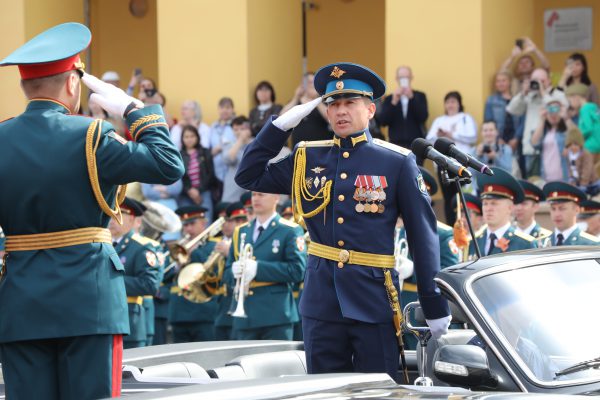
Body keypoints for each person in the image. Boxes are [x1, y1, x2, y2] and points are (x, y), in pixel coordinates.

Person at [0, 23, 184, 400]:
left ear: (24, 86)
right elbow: (168, 165)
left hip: (19, 301)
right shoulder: (91, 135)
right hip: (89, 299)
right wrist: (134, 109)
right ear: (73, 83)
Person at [234, 62, 450, 381]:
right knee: (324, 391)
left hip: (373, 299)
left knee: (378, 389)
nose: (341, 111)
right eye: (333, 104)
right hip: (321, 303)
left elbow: (423, 236)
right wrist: (279, 126)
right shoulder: (307, 157)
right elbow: (248, 175)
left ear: (371, 110)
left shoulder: (397, 162)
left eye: (350, 103)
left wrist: (433, 302)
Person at [225, 192, 306, 340]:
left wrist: (258, 268)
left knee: (278, 363)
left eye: (261, 194)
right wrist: (233, 272)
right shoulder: (241, 231)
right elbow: (226, 272)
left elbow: (297, 270)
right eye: (254, 195)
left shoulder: (289, 230)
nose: (255, 198)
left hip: (275, 316)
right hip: (245, 317)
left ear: (276, 198)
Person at [109, 198, 161, 349]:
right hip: (104, 322)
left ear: (132, 219)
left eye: (117, 215)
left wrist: (111, 282)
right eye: (110, 214)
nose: (112, 220)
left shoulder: (141, 247)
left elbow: (150, 284)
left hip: (130, 321)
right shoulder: (103, 244)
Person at [426, 91, 477, 224]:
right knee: (448, 198)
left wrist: (452, 135)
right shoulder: (439, 120)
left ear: (459, 104)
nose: (450, 105)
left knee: (463, 195)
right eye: (448, 102)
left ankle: (466, 224)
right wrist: (440, 135)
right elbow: (429, 140)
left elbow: (472, 136)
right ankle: (452, 225)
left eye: (453, 101)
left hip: (461, 163)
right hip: (443, 164)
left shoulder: (465, 117)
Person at [169, 206, 218, 342]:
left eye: (192, 224)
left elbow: (212, 270)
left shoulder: (214, 245)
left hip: (203, 311)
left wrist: (193, 252)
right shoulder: (179, 246)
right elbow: (165, 276)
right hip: (179, 312)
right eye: (185, 225)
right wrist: (177, 264)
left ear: (203, 223)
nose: (188, 229)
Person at [507, 68, 566, 178]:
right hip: (531, 149)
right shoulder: (529, 97)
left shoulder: (557, 95)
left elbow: (562, 112)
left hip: (553, 150)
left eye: (542, 81)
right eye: (535, 81)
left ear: (549, 81)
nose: (538, 84)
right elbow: (512, 109)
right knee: (534, 186)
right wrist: (523, 93)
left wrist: (544, 94)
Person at [468, 168, 537, 258]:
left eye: (494, 203)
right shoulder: (472, 241)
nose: (488, 209)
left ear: (510, 207)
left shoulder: (525, 244)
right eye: (485, 204)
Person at [214, 202, 248, 340]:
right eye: (235, 221)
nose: (237, 224)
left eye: (242, 220)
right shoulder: (217, 243)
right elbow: (225, 276)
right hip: (222, 308)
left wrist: (229, 254)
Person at [377, 66, 428, 149]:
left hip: (416, 144)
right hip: (395, 144)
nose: (404, 80)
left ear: (411, 78)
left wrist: (412, 98)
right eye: (401, 78)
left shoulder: (420, 96)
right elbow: (383, 121)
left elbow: (423, 117)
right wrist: (393, 102)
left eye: (406, 77)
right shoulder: (390, 98)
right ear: (397, 79)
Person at [530, 90, 569, 182]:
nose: (553, 113)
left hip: (565, 177)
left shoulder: (566, 129)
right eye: (550, 109)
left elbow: (576, 138)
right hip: (546, 177)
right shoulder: (544, 131)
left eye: (556, 109)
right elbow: (534, 142)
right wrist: (542, 119)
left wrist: (565, 117)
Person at [282, 72, 330, 147]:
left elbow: (330, 118)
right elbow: (282, 117)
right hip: (299, 148)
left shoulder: (324, 101)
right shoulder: (295, 102)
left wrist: (317, 99)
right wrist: (296, 97)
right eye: (308, 82)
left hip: (320, 147)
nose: (311, 85)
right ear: (302, 85)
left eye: (313, 82)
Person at [179, 124, 216, 214]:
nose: (189, 139)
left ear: (197, 137)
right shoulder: (179, 155)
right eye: (186, 137)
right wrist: (190, 191)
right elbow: (179, 177)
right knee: (188, 223)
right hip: (186, 195)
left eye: (192, 136)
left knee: (206, 222)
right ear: (182, 139)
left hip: (204, 192)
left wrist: (198, 191)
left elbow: (210, 174)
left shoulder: (205, 152)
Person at [484, 70, 520, 149]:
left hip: (516, 142)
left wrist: (516, 138)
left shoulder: (517, 99)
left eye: (503, 80)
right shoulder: (491, 100)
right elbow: (488, 121)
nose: (500, 83)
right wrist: (497, 138)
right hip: (499, 140)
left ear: (509, 82)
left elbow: (521, 121)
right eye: (498, 81)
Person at [221, 116, 254, 203]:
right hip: (233, 191)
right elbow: (228, 159)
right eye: (235, 129)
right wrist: (240, 141)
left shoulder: (257, 143)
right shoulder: (229, 145)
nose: (239, 132)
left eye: (242, 129)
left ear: (249, 129)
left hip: (253, 190)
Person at [565, 83, 600, 160]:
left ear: (576, 97)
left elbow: (588, 128)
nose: (570, 105)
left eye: (570, 101)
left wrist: (577, 137)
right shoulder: (592, 107)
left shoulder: (584, 109)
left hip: (591, 144)